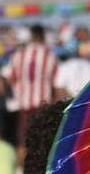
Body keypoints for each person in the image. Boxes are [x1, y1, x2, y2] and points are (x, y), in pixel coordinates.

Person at [6, 23, 58, 162]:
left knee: (23, 140)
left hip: (24, 104)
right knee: (43, 142)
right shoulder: (50, 56)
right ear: (43, 36)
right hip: (43, 105)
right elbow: (55, 83)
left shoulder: (18, 55)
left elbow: (10, 78)